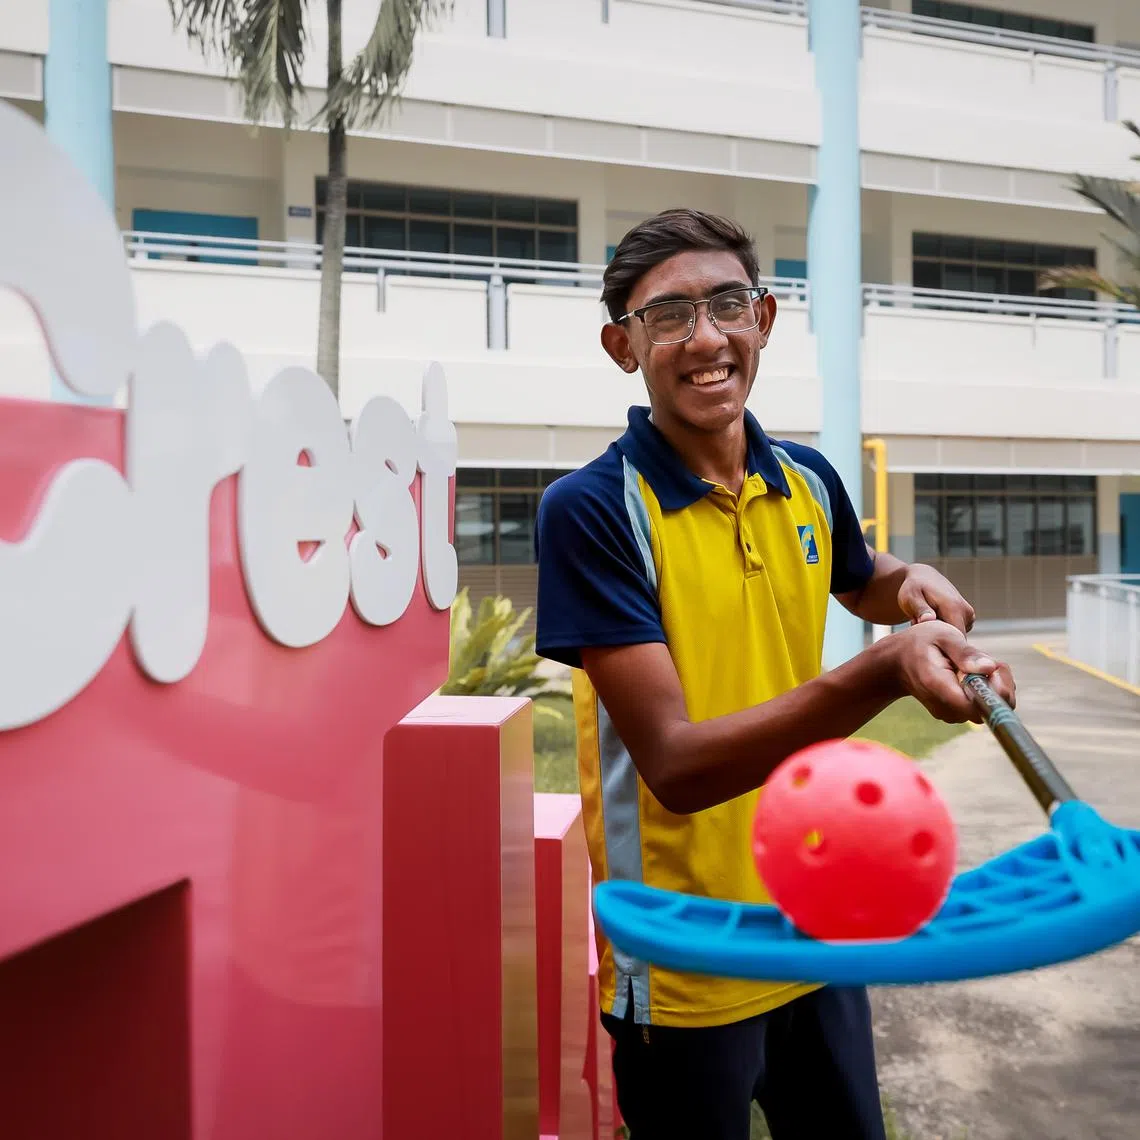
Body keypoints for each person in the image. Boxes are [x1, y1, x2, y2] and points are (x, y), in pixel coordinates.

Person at [532, 208, 1016, 1140]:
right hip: (683, 956)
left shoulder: (805, 477)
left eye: (725, 305)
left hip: (815, 916)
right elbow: (675, 765)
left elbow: (856, 574)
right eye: (667, 316)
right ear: (621, 347)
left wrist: (911, 583)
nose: (705, 337)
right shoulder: (592, 511)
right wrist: (885, 670)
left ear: (766, 318)